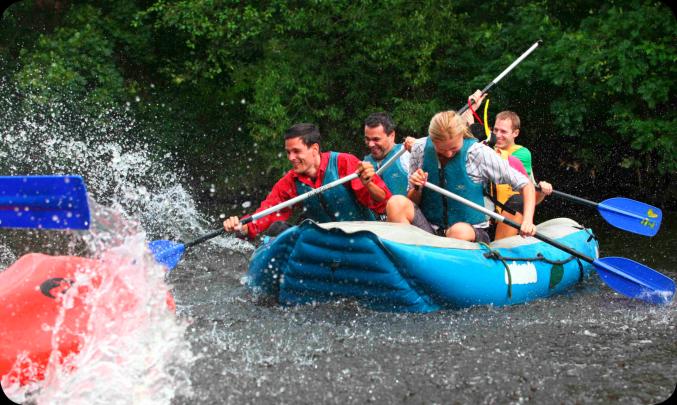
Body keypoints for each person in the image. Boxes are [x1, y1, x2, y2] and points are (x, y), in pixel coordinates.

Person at [386, 96, 537, 243]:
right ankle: (412, 258)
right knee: (396, 203)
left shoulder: (478, 153)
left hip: (468, 232)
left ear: (461, 136)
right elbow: (412, 202)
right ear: (432, 140)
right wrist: (417, 188)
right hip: (429, 232)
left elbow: (526, 185)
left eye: (453, 148)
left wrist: (528, 221)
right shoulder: (420, 148)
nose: (448, 154)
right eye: (441, 150)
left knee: (458, 231)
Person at [223, 123, 391, 239]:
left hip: (364, 239)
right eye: (288, 152)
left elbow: (383, 203)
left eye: (296, 151)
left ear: (314, 149)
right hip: (325, 245)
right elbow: (266, 213)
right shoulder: (289, 183)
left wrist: (368, 183)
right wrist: (240, 227)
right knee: (277, 230)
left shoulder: (344, 163)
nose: (291, 158)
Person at [490, 111, 553, 239]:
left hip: (511, 214)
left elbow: (500, 162)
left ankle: (500, 245)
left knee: (517, 200)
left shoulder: (522, 154)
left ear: (515, 133)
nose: (497, 135)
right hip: (489, 215)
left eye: (503, 132)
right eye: (495, 130)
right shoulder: (488, 149)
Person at [363, 112, 410, 196]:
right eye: (367, 139)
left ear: (392, 135)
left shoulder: (406, 155)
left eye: (376, 139)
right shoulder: (364, 163)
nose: (370, 144)